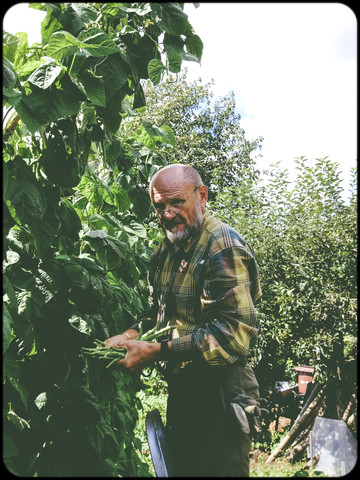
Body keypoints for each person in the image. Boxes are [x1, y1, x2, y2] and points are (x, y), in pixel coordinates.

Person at [105, 164, 262, 477]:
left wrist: (158, 351)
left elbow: (233, 336)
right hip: (184, 387)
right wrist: (132, 333)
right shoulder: (166, 249)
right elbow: (157, 313)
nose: (167, 214)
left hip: (221, 390)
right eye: (159, 206)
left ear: (201, 196)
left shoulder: (221, 246)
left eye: (177, 202)